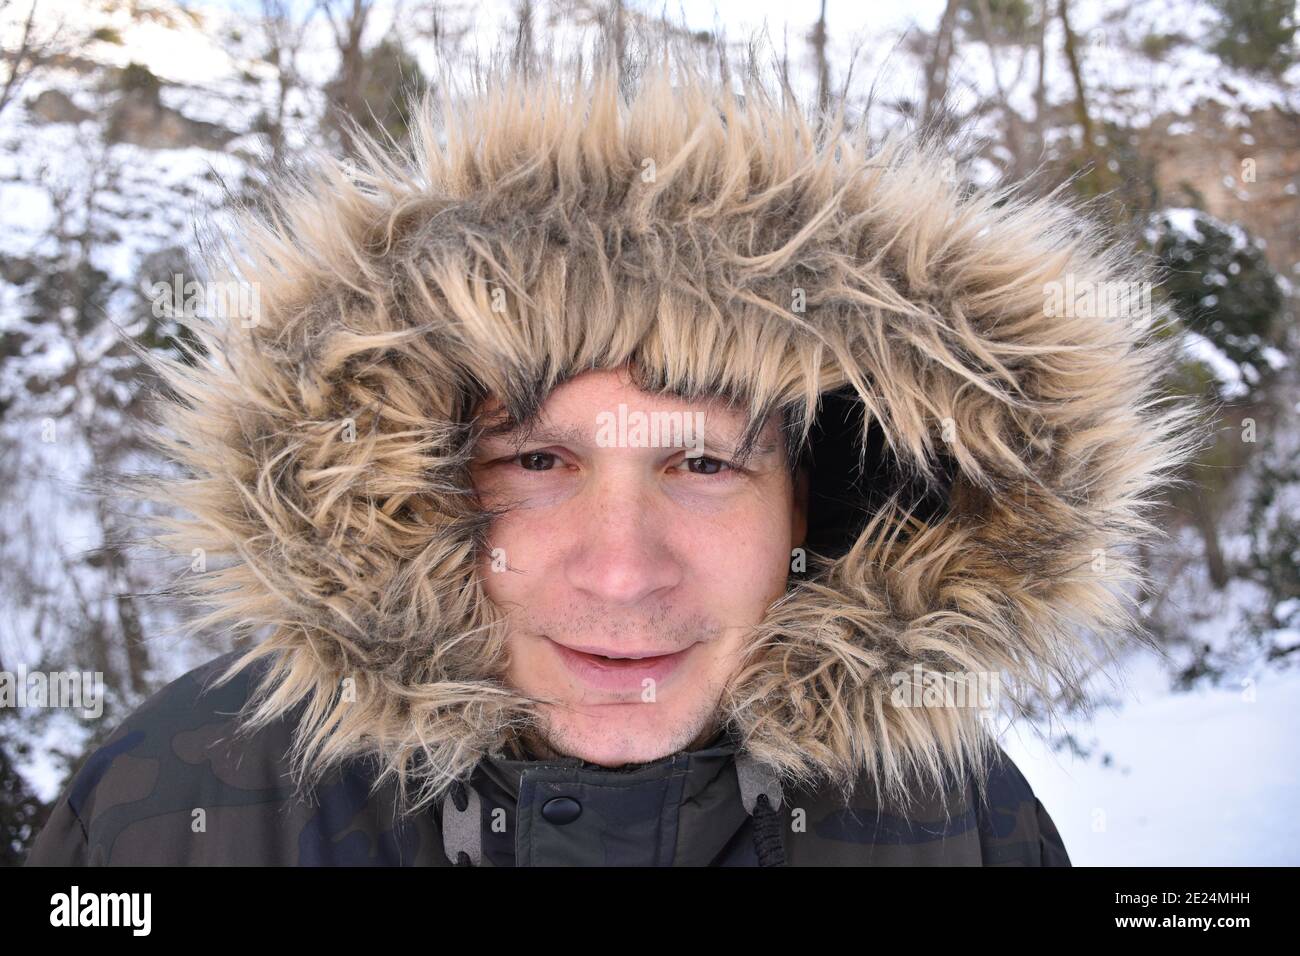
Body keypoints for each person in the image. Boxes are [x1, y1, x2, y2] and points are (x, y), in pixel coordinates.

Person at [26, 45, 1184, 866]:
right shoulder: (167, 801)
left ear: (816, 511)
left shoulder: (954, 820)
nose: (623, 572)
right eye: (534, 462)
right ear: (400, 496)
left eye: (705, 465)